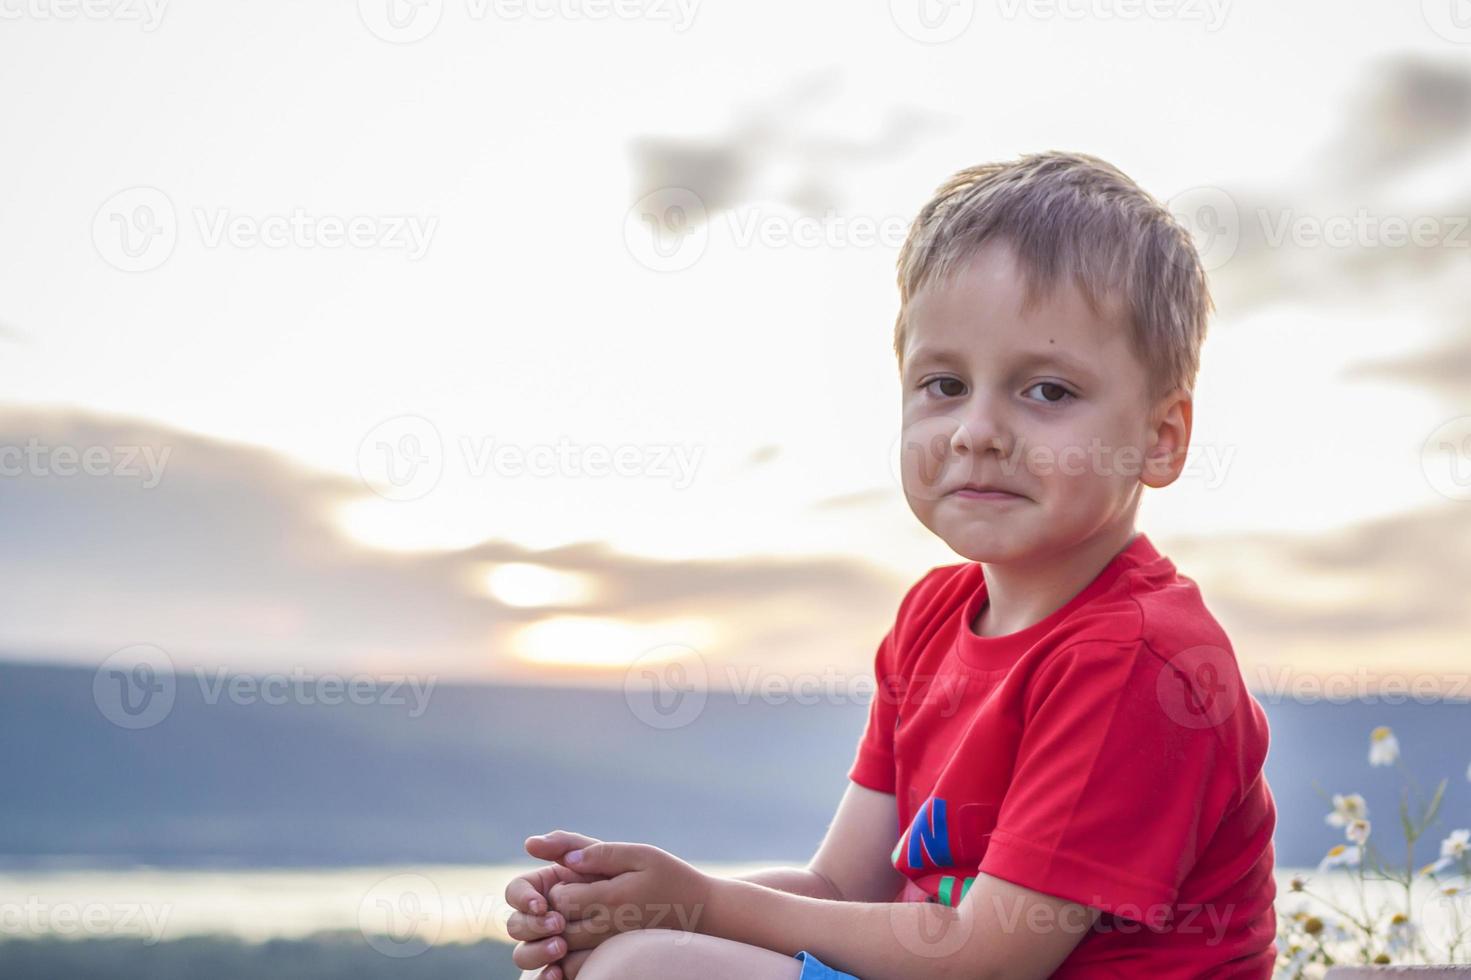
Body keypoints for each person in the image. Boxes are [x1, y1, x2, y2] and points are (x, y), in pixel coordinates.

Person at [503, 150, 1278, 979]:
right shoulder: (931, 620)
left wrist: (700, 908)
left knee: (648, 971)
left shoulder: (1133, 658)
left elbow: (986, 958)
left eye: (1046, 391)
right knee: (634, 954)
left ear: (1160, 438)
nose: (976, 430)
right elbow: (840, 886)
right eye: (943, 384)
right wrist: (644, 902)